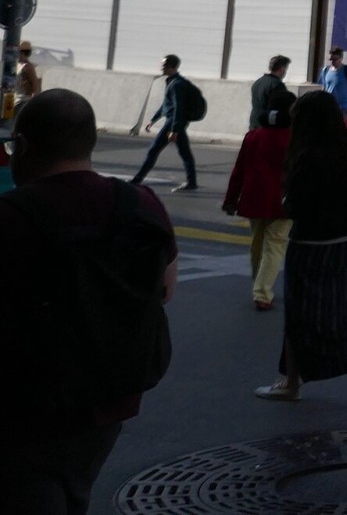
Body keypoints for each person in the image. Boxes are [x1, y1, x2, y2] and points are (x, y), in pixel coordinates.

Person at [0, 90, 178, 515]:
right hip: (111, 397)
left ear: (22, 146)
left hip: (26, 404)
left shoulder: (11, 216)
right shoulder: (141, 204)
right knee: (71, 486)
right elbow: (166, 289)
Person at [256, 90, 347, 410]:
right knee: (339, 311)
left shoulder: (307, 155)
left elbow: (296, 207)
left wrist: (288, 201)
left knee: (299, 315)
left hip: (309, 247)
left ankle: (291, 382)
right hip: (344, 246)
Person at [224, 86, 295, 310]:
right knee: (274, 245)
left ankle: (259, 284)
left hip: (253, 197)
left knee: (257, 243)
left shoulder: (253, 136)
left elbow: (239, 170)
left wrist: (230, 199)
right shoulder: (294, 138)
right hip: (283, 200)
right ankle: (262, 292)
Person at [130, 54, 199, 192]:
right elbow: (166, 105)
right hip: (174, 121)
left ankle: (136, 181)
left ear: (171, 67)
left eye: (164, 65)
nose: (161, 67)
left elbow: (178, 107)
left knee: (153, 150)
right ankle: (192, 182)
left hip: (174, 122)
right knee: (185, 152)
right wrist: (153, 119)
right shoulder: (172, 82)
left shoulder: (177, 84)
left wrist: (174, 129)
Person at [320, 46, 347, 132]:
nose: (332, 62)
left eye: (335, 59)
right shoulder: (325, 70)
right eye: (331, 59)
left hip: (344, 105)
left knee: (336, 125)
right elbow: (324, 87)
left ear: (341, 58)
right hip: (330, 105)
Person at [249, 53, 290, 129]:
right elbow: (282, 107)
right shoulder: (277, 85)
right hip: (267, 127)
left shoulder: (258, 82)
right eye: (286, 68)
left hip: (254, 124)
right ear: (282, 69)